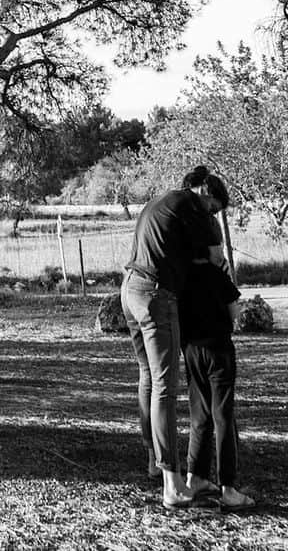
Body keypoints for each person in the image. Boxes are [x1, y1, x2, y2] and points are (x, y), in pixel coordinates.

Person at [121, 163, 228, 509]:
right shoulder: (191, 205)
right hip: (155, 294)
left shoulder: (161, 203)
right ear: (206, 193)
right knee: (166, 385)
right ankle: (172, 483)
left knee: (149, 378)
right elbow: (215, 258)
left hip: (129, 290)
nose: (213, 215)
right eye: (214, 208)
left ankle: (154, 459)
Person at [179, 257, 254, 510]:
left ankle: (194, 476)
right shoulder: (217, 273)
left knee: (199, 414)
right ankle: (228, 488)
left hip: (191, 349)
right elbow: (234, 312)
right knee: (223, 415)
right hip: (218, 349)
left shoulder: (181, 275)